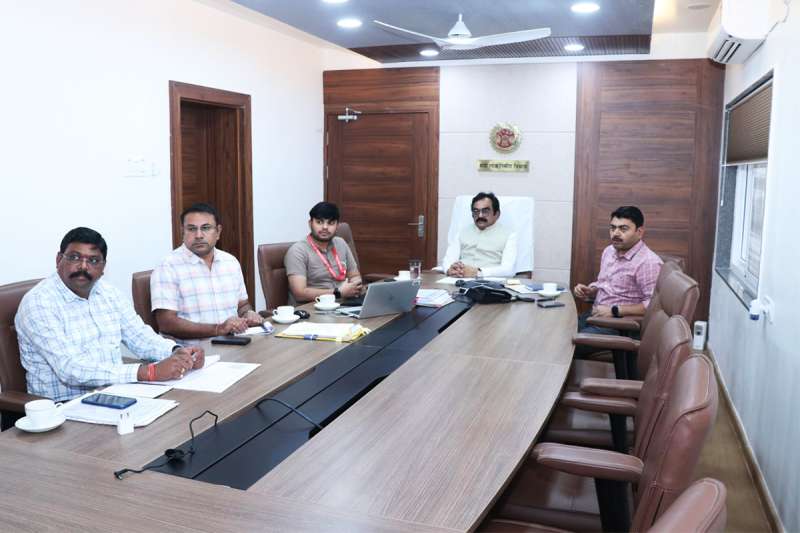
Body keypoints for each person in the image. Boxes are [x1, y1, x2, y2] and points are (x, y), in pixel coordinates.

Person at [15, 227, 204, 402]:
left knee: (185, 411)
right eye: (74, 257)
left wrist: (177, 352)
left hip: (116, 394)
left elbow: (140, 337)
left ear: (103, 267)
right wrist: (147, 372)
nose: (83, 266)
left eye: (93, 260)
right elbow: (70, 369)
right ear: (58, 260)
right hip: (65, 408)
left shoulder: (108, 293)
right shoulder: (39, 303)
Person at [150, 203, 263, 343]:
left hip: (234, 344)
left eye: (206, 228)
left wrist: (248, 313)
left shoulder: (230, 262)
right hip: (191, 351)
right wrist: (218, 329)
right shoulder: (168, 266)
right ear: (182, 232)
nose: (198, 235)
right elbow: (167, 323)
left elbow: (242, 305)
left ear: (218, 232)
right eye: (191, 229)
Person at [573, 206, 663, 353]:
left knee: (567, 346)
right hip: (596, 315)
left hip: (619, 326)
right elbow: (604, 283)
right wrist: (591, 290)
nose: (615, 233)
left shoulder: (648, 262)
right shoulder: (609, 251)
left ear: (639, 232)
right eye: (612, 228)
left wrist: (614, 311)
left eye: (623, 229)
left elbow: (654, 306)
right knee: (557, 333)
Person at [285, 202, 362, 304]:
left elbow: (354, 275)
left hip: (344, 304)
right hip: (314, 307)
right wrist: (337, 293)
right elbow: (299, 293)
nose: (325, 227)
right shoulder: (297, 251)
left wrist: (355, 286)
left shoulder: (341, 243)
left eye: (331, 223)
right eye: (319, 222)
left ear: (337, 226)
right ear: (310, 223)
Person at [442, 192, 518, 278]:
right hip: (459, 279)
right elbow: (448, 260)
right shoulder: (462, 232)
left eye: (485, 211)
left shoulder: (509, 235)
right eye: (476, 211)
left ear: (496, 214)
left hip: (489, 282)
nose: (480, 215)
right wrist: (449, 270)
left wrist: (478, 272)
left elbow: (509, 270)